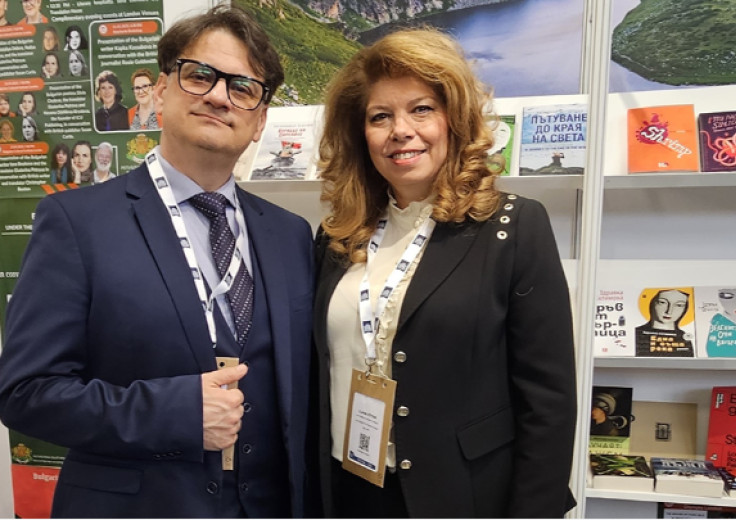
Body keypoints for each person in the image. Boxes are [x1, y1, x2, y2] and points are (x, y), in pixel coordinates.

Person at [0, 5, 314, 518]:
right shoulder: (76, 223)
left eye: (243, 88)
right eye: (200, 76)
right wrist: (180, 413)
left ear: (259, 122)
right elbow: (26, 393)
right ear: (162, 91)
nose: (218, 96)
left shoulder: (291, 235)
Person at [312, 27, 576, 518]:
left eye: (421, 109)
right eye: (380, 116)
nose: (400, 130)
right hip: (350, 488)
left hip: (463, 493)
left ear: (454, 119)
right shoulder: (337, 237)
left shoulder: (514, 226)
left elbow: (549, 401)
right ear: (360, 134)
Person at [635, 288, 695, 357]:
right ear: (652, 303)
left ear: (685, 308)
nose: (669, 311)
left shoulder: (683, 337)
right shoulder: (637, 333)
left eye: (679, 305)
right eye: (662, 302)